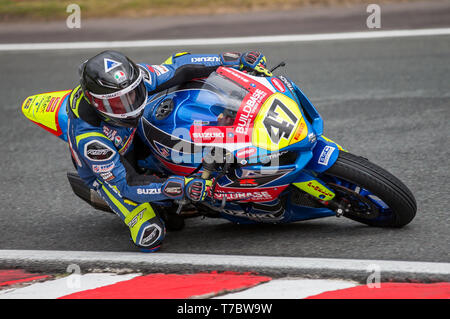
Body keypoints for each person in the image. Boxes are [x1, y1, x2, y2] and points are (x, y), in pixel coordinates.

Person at [66, 49, 272, 252]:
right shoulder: (91, 141)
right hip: (113, 173)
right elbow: (125, 184)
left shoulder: (136, 79)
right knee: (150, 236)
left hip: (136, 132)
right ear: (96, 103)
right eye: (118, 104)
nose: (130, 105)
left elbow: (181, 66)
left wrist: (233, 60)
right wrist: (181, 186)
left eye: (133, 95)